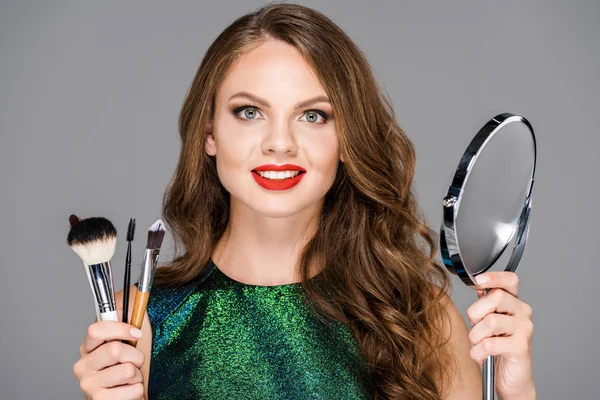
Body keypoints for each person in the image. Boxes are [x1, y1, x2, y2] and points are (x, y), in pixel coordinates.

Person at [72, 3, 535, 399]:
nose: (280, 143)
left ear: (346, 139)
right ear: (210, 133)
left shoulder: (417, 316)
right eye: (249, 112)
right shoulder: (139, 322)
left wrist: (515, 392)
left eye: (313, 115)